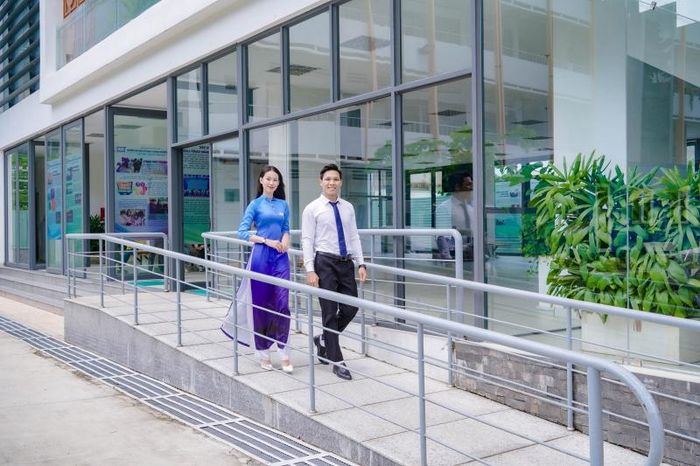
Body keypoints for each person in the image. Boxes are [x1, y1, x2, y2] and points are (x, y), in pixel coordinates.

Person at [220, 165, 293, 373]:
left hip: (281, 258)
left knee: (282, 304)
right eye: (268, 179)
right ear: (261, 180)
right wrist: (266, 241)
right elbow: (242, 232)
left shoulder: (283, 204)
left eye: (275, 180)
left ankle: (284, 351)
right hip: (261, 257)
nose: (272, 182)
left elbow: (286, 228)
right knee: (260, 304)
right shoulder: (255, 204)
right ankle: (263, 352)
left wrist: (285, 241)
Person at [301, 163, 367, 380]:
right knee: (329, 312)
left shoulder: (348, 208)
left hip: (346, 263)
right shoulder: (312, 209)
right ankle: (337, 361)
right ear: (321, 182)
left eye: (335, 179)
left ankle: (323, 340)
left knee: (351, 307)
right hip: (324, 263)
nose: (332, 183)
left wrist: (361, 263)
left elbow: (354, 236)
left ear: (341, 182)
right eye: (328, 179)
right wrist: (310, 270)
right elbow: (307, 240)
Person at [436, 172, 475, 261]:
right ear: (457, 187)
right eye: (468, 184)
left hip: (472, 257)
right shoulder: (445, 208)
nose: (472, 188)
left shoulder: (471, 207)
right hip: (455, 258)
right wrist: (448, 261)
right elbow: (441, 237)